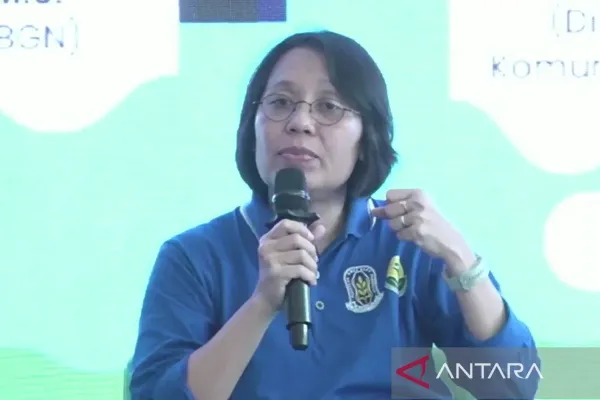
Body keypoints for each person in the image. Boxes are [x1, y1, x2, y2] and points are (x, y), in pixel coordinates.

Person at [129, 31, 540, 400]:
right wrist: (261, 304)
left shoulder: (407, 244)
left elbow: (512, 387)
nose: (300, 122)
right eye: (280, 103)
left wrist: (460, 259)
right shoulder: (195, 256)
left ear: (367, 136)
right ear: (251, 126)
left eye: (328, 106)